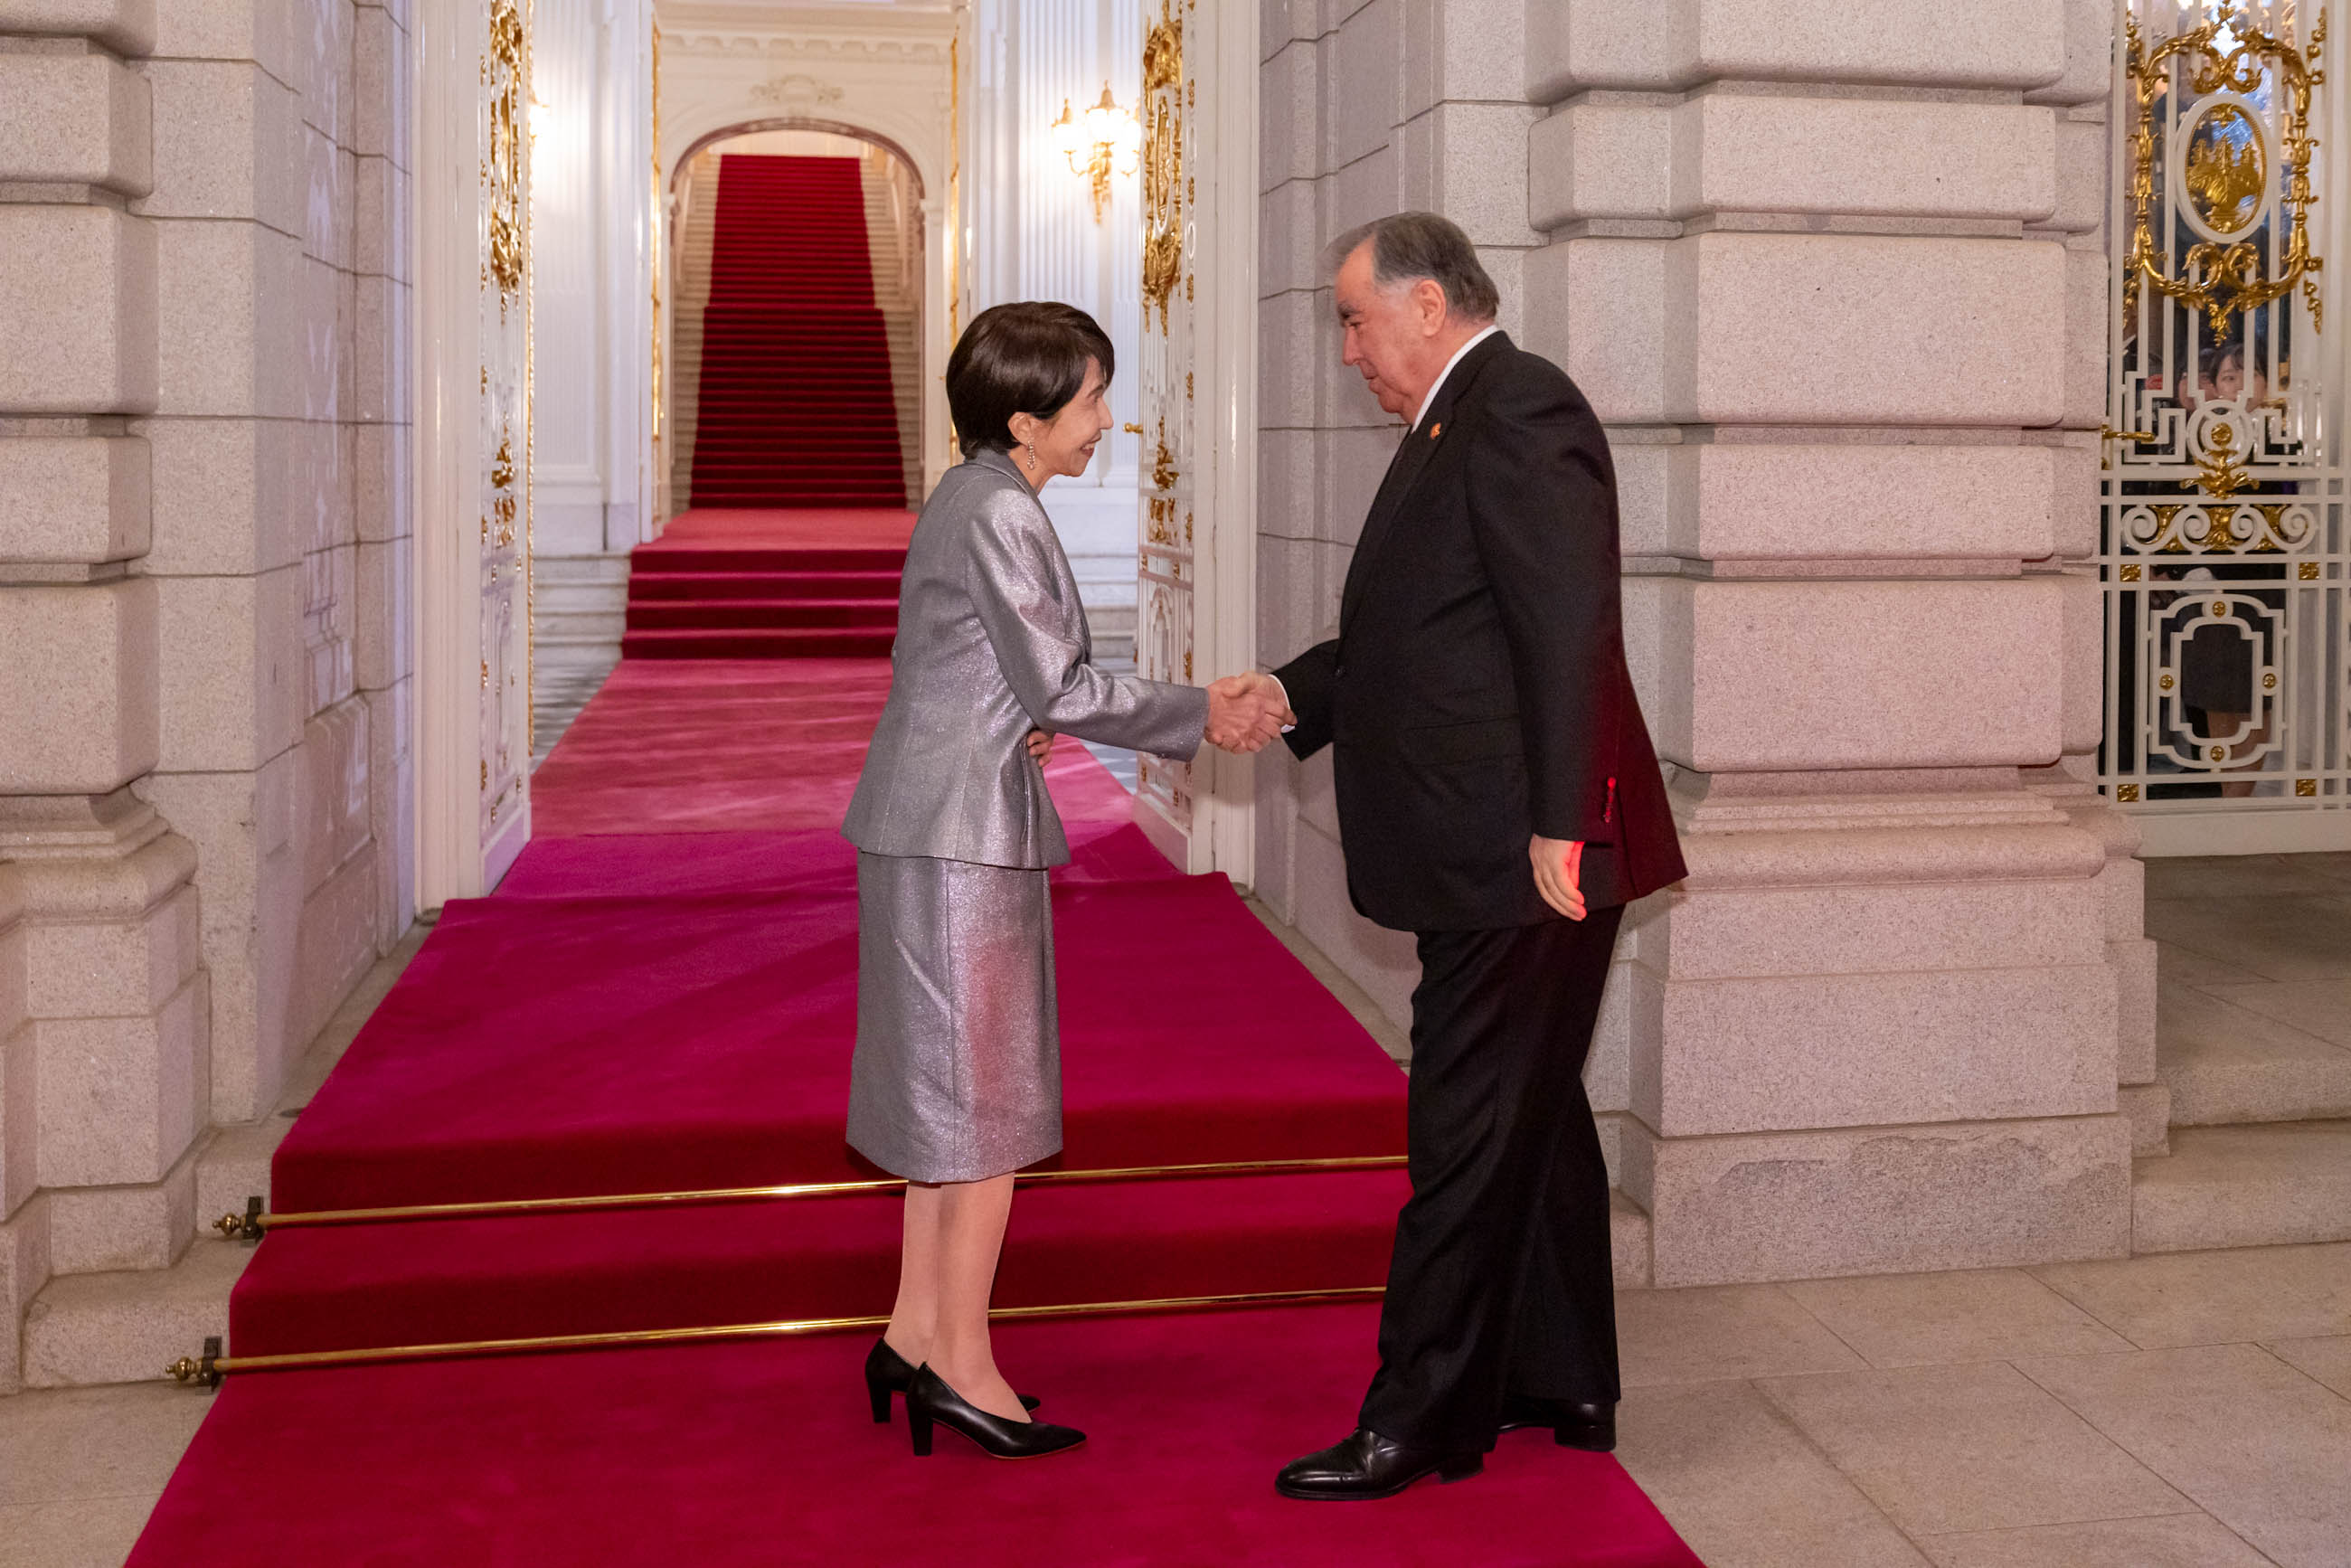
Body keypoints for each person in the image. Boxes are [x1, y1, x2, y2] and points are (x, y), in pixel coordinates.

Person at [1263, 213, 1686, 1500]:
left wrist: (1563, 818)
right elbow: (1425, 631)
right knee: (1533, 1116)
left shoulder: (1517, 406)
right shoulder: (1456, 414)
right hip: (1492, 841)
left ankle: (1421, 1420)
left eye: (1354, 318)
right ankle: (1565, 1378)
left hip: (1524, 854)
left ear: (1429, 303)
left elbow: (1569, 628)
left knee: (1461, 1132)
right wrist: (1290, 694)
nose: (1347, 351)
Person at [839, 301, 1292, 1459]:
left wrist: (1019, 719)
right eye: (1090, 398)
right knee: (985, 1113)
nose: (1106, 419)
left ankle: (910, 1333)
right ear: (1026, 417)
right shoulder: (999, 511)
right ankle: (964, 1365)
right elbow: (1058, 683)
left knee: (947, 1106)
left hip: (935, 817)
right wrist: (1205, 709)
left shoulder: (971, 496)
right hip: (958, 838)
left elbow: (981, 674)